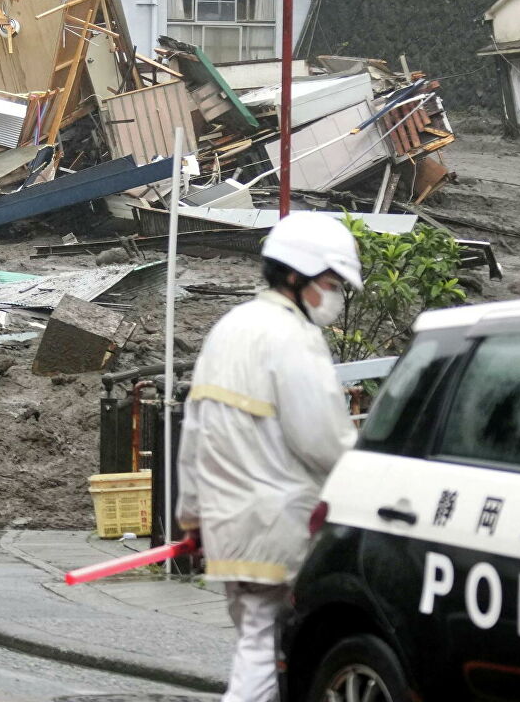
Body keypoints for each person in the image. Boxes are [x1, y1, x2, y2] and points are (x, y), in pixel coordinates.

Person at [175, 212, 362, 702]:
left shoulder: (229, 329)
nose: (335, 296)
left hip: (228, 526)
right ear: (297, 277)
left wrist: (191, 517)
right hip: (276, 526)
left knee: (255, 640)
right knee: (263, 648)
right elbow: (323, 440)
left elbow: (193, 433)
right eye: (330, 283)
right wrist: (370, 486)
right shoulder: (294, 339)